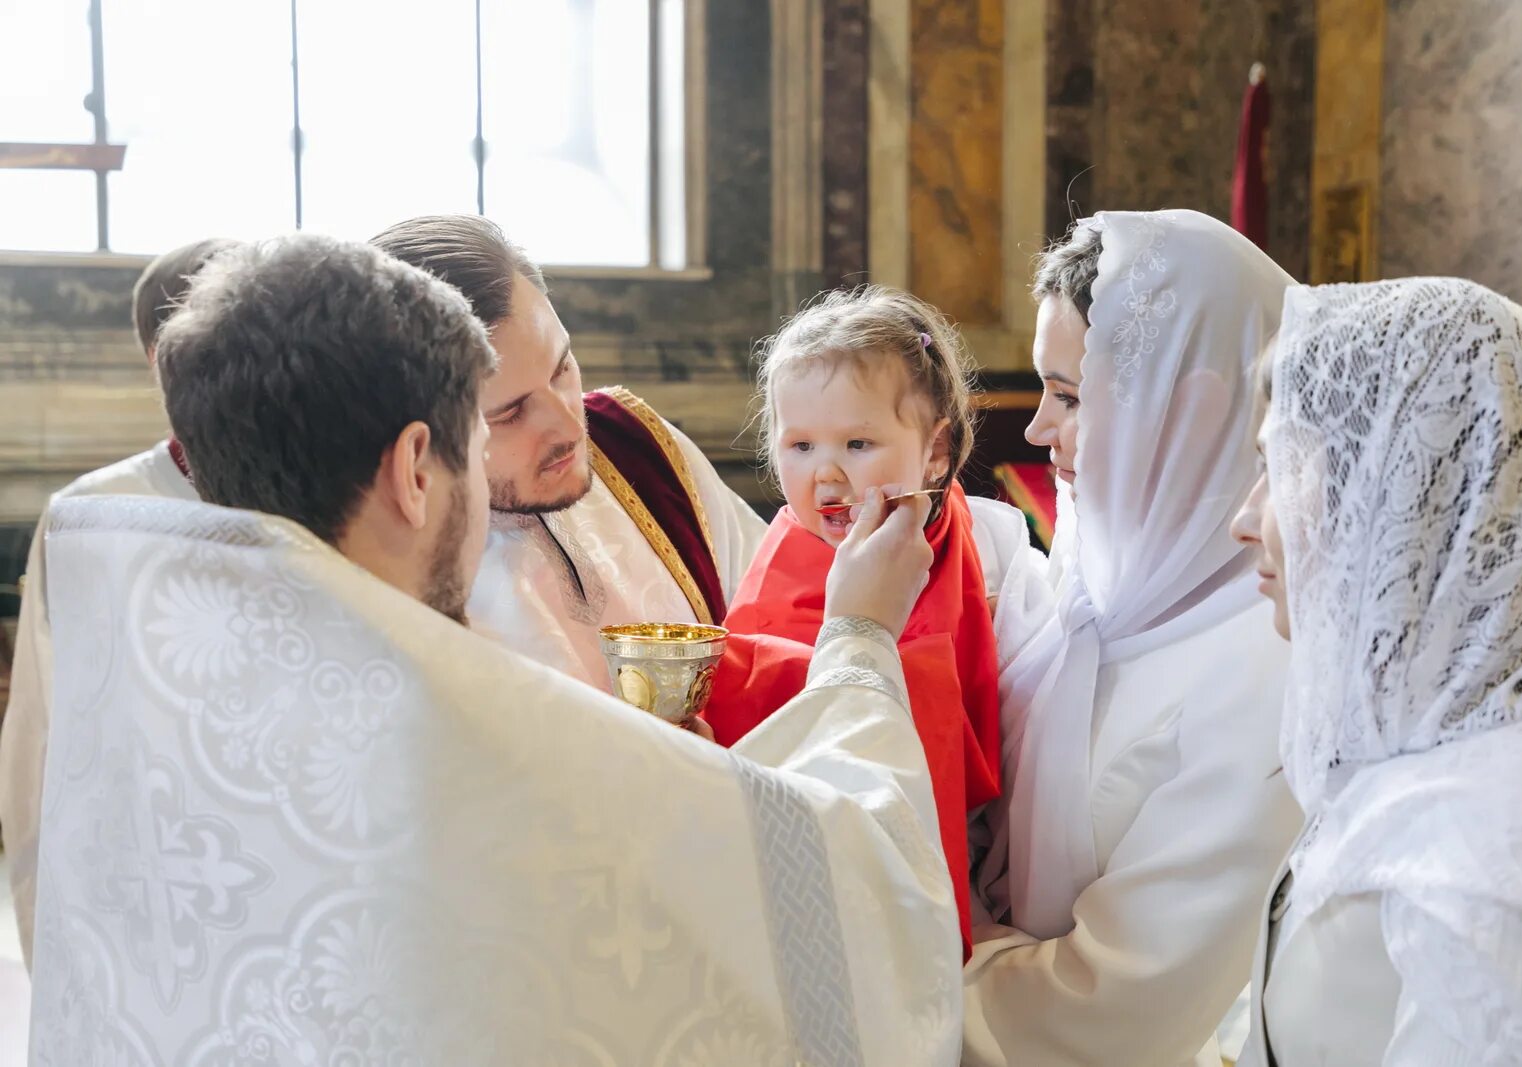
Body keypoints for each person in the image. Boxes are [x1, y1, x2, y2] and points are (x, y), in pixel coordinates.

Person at [26, 234, 963, 1064]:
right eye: (489, 429)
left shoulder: (161, 715)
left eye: (561, 373)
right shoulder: (488, 748)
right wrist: (861, 636)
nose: (560, 422)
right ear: (414, 468)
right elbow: (862, 903)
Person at [964, 209, 1303, 1067]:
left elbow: (1116, 1004)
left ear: (1190, 412)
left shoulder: (1268, 676)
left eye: (1071, 397)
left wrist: (915, 953)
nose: (1037, 430)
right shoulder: (1089, 588)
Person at [1232, 277, 1522, 1066]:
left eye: (1280, 468)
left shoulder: (1480, 859)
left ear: (1392, 498)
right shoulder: (1426, 739)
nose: (1245, 517)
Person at [700, 286, 1033, 956]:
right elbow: (765, 708)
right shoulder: (790, 555)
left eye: (856, 442)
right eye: (798, 445)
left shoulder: (960, 533)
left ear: (935, 454)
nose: (825, 474)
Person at [372, 215, 767, 692]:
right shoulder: (389, 576)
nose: (568, 426)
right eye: (510, 412)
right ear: (416, 442)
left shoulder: (637, 443)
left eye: (563, 368)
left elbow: (779, 627)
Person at [0, 235, 236, 968]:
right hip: (149, 879)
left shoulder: (340, 488)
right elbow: (40, 735)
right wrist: (49, 941)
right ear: (160, 359)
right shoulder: (94, 514)